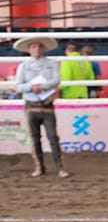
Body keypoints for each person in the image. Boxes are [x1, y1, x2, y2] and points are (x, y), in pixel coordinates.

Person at [13, 35, 70, 178]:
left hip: (46, 104)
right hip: (31, 105)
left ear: (42, 48)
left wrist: (41, 86)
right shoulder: (23, 66)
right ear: (29, 50)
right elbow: (18, 86)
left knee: (52, 136)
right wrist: (32, 87)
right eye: (33, 46)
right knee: (35, 137)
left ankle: (60, 167)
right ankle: (40, 167)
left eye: (39, 46)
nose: (36, 49)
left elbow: (57, 80)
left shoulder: (52, 64)